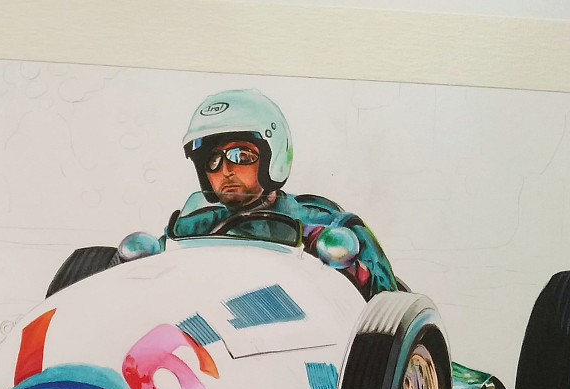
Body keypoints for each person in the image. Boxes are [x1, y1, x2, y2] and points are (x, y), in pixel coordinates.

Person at [163, 88, 400, 298]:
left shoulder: (328, 224)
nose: (225, 171)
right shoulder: (194, 228)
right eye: (212, 161)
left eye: (241, 155)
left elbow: (388, 308)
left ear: (272, 156)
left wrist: (340, 259)